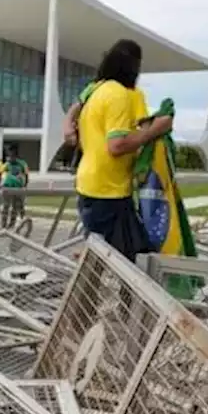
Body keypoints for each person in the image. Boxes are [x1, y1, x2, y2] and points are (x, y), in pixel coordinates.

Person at [74, 39, 171, 261]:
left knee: (105, 257)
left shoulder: (96, 89)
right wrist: (154, 130)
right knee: (124, 259)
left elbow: (75, 112)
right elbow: (116, 146)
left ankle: (94, 294)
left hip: (95, 185)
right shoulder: (118, 94)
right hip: (107, 190)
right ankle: (87, 295)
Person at [0, 145, 29, 228]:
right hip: (7, 188)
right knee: (6, 206)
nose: (10, 158)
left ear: (15, 155)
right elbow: (0, 174)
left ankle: (13, 223)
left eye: (11, 156)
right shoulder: (6, 165)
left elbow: (26, 175)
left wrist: (25, 186)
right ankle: (4, 225)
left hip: (18, 188)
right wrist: (0, 184)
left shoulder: (22, 164)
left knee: (16, 207)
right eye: (8, 156)